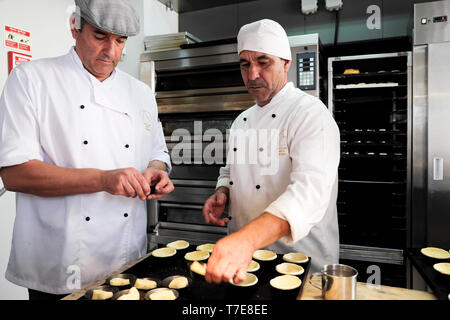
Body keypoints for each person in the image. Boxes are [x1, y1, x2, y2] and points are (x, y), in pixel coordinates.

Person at [0, 0, 173, 299]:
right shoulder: (31, 79)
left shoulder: (141, 93)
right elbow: (16, 174)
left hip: (126, 260)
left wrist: (157, 172)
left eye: (120, 41)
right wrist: (104, 179)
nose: (111, 51)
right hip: (59, 262)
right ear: (75, 28)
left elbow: (158, 153)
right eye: (100, 36)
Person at [202, 19, 340, 284]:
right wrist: (223, 191)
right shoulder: (242, 120)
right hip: (246, 264)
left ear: (286, 64)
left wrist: (245, 239)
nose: (252, 74)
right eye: (245, 64)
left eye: (263, 62)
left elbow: (309, 194)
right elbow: (231, 169)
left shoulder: (310, 114)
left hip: (300, 264)